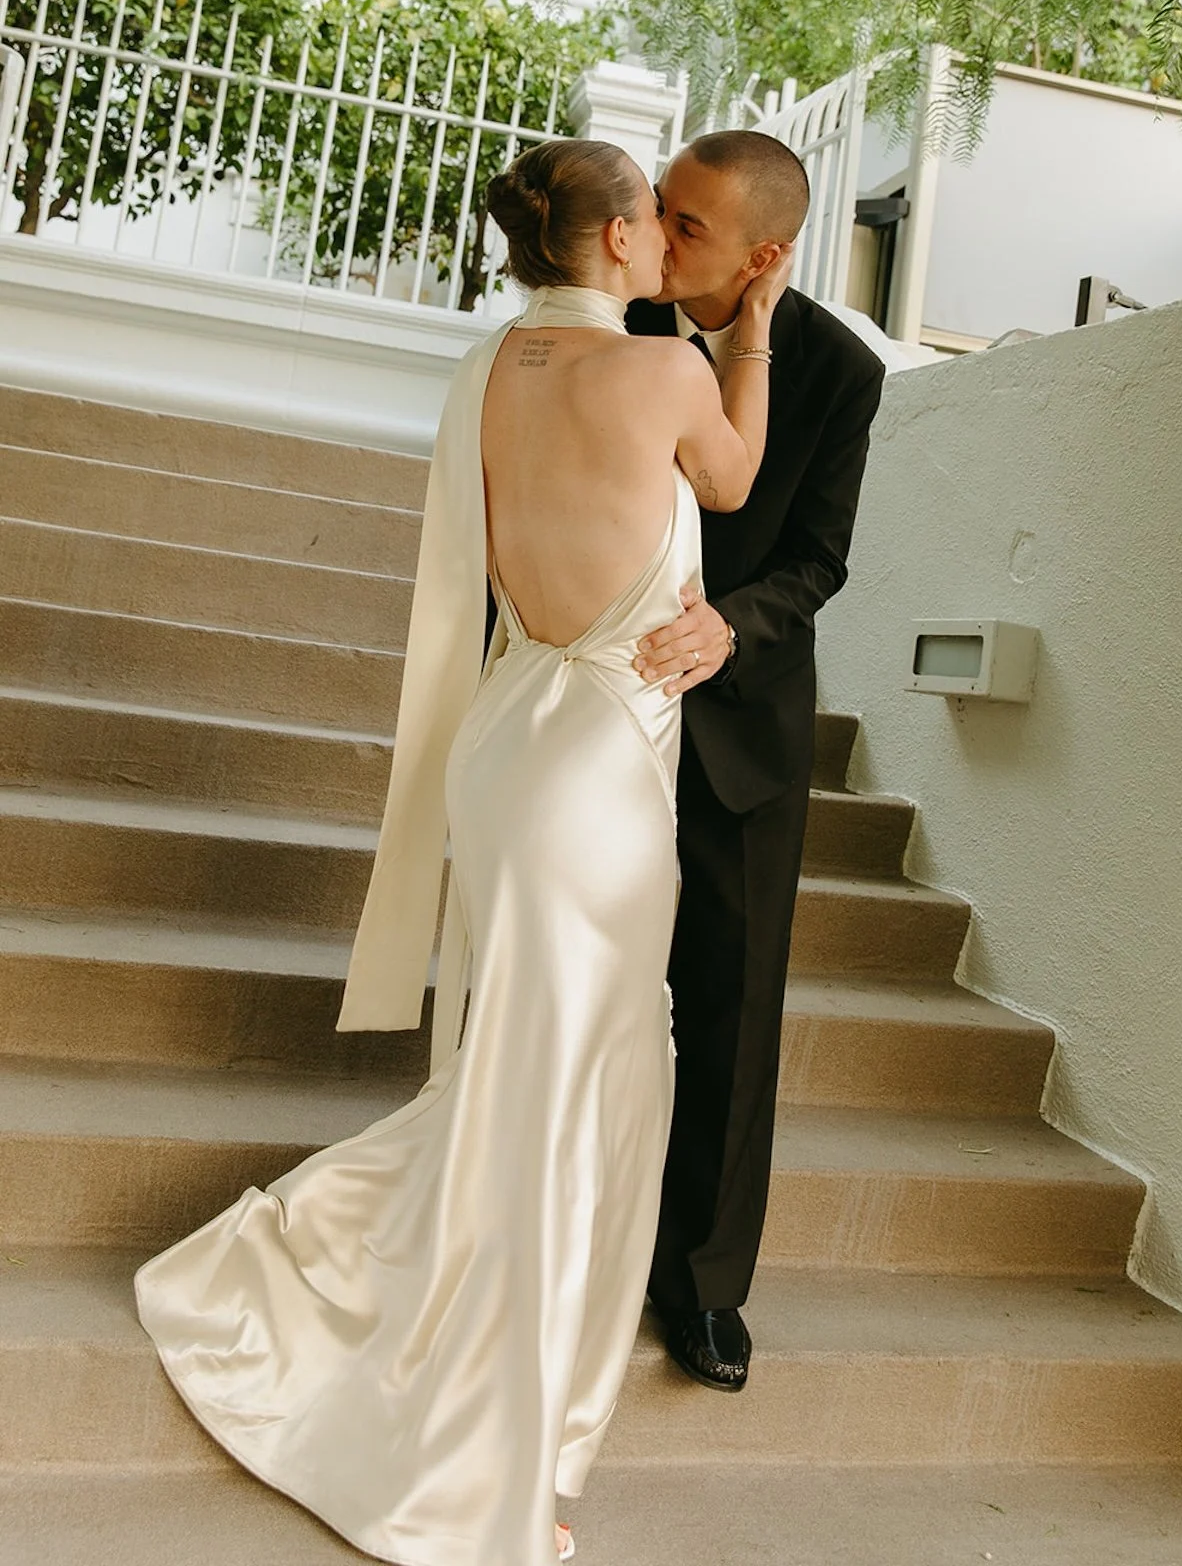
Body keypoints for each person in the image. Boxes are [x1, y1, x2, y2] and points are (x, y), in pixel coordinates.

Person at [133, 136, 792, 1566]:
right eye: (655, 223)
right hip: (600, 776)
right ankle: (515, 1451)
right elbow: (731, 486)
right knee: (576, 1091)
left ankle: (513, 1401)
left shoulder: (487, 371)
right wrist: (750, 335)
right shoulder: (671, 370)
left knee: (530, 1073)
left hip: (504, 749)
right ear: (619, 243)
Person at [627, 131, 886, 1392]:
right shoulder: (612, 320)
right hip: (602, 714)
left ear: (764, 256)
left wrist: (731, 628)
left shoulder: (837, 369)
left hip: (744, 730)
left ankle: (704, 1289)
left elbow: (820, 559)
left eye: (685, 226)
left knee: (730, 1017)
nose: (653, 235)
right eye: (656, 209)